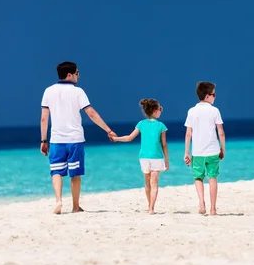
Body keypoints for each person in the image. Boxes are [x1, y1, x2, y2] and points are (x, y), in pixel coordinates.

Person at [40, 61, 116, 214]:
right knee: (75, 174)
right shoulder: (78, 92)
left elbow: (44, 118)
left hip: (56, 140)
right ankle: (75, 206)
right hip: (75, 139)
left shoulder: (48, 91)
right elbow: (91, 113)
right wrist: (108, 130)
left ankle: (58, 201)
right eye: (77, 73)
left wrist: (43, 140)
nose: (78, 76)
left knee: (56, 172)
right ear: (70, 75)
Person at [111, 99, 169, 215]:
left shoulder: (141, 124)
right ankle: (152, 208)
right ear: (155, 111)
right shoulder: (161, 126)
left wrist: (116, 139)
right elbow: (164, 145)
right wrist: (167, 160)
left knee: (147, 183)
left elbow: (129, 138)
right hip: (157, 157)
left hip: (144, 157)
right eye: (160, 109)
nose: (161, 111)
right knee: (154, 183)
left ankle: (149, 206)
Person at [184, 81, 225, 216]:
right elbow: (221, 132)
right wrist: (222, 149)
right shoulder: (214, 111)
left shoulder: (191, 111)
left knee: (198, 178)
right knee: (212, 178)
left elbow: (188, 133)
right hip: (213, 151)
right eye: (214, 94)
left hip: (198, 152)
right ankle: (213, 209)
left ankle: (201, 203)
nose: (215, 97)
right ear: (207, 96)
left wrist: (187, 152)